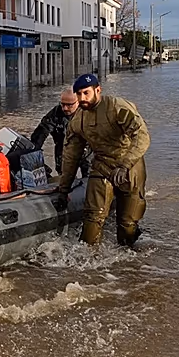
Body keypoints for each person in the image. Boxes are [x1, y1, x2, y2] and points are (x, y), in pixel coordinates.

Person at [56, 74, 150, 247]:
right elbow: (71, 156)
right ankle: (87, 262)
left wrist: (125, 165)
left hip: (130, 165)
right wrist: (64, 188)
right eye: (78, 94)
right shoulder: (78, 120)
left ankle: (129, 262)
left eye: (86, 93)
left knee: (127, 225)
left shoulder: (117, 107)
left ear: (97, 90)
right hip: (102, 166)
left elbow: (142, 137)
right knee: (92, 217)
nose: (82, 98)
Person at [26, 88, 80, 175]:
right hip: (63, 147)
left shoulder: (87, 112)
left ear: (78, 102)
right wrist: (34, 153)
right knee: (63, 176)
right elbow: (41, 132)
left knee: (90, 175)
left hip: (84, 149)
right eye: (62, 104)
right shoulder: (56, 113)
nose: (65, 108)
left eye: (69, 105)